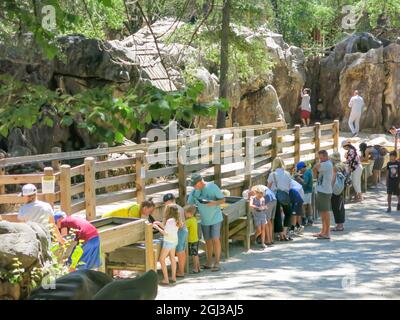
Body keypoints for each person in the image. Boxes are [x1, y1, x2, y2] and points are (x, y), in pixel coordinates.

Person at [187, 173, 225, 272]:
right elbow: (189, 204)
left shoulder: (212, 186)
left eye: (195, 184)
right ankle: (209, 262)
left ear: (200, 182)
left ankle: (217, 262)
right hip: (204, 220)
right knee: (207, 241)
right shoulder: (195, 191)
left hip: (215, 218)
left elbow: (223, 200)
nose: (194, 187)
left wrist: (214, 203)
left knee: (215, 239)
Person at [159, 193, 188, 278]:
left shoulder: (173, 209)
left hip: (180, 231)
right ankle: (180, 270)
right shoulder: (178, 208)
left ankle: (181, 271)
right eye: (166, 202)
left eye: (168, 202)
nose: (166, 204)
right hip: (179, 231)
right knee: (180, 250)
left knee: (180, 251)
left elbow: (178, 224)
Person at [153, 204, 181, 285]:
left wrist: (157, 227)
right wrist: (159, 223)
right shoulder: (177, 220)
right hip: (174, 241)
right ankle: (173, 277)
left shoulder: (169, 221)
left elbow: (166, 233)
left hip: (168, 242)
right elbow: (168, 228)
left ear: (168, 211)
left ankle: (166, 279)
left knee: (161, 259)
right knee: (172, 258)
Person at [267, 157, 293, 241]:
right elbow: (289, 186)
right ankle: (285, 232)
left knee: (277, 215)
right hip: (285, 195)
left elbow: (268, 187)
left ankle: (280, 234)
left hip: (275, 196)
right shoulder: (287, 174)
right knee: (288, 213)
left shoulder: (272, 174)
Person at [313, 150, 334, 240]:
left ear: (326, 156)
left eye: (321, 158)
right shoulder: (325, 163)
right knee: (322, 211)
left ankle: (327, 232)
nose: (320, 160)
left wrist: (318, 163)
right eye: (319, 158)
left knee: (326, 211)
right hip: (321, 190)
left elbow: (315, 168)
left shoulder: (327, 164)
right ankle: (323, 231)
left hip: (325, 191)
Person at [294, 161, 314, 226]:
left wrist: (298, 177)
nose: (300, 171)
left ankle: (304, 219)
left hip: (306, 191)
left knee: (303, 205)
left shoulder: (306, 173)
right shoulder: (308, 171)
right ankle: (310, 219)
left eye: (300, 169)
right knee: (308, 204)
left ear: (302, 168)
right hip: (309, 191)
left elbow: (305, 182)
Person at [330, 152, 346, 232]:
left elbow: (333, 178)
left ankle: (339, 225)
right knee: (340, 207)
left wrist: (330, 187)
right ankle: (340, 224)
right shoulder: (342, 165)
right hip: (342, 188)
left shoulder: (336, 167)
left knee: (336, 207)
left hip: (336, 189)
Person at [184, 205, 200, 274]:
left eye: (185, 213)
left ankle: (195, 268)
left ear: (190, 213)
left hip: (191, 240)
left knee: (194, 255)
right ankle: (198, 267)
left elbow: (182, 226)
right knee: (196, 254)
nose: (184, 214)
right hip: (195, 239)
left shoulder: (189, 221)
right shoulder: (194, 219)